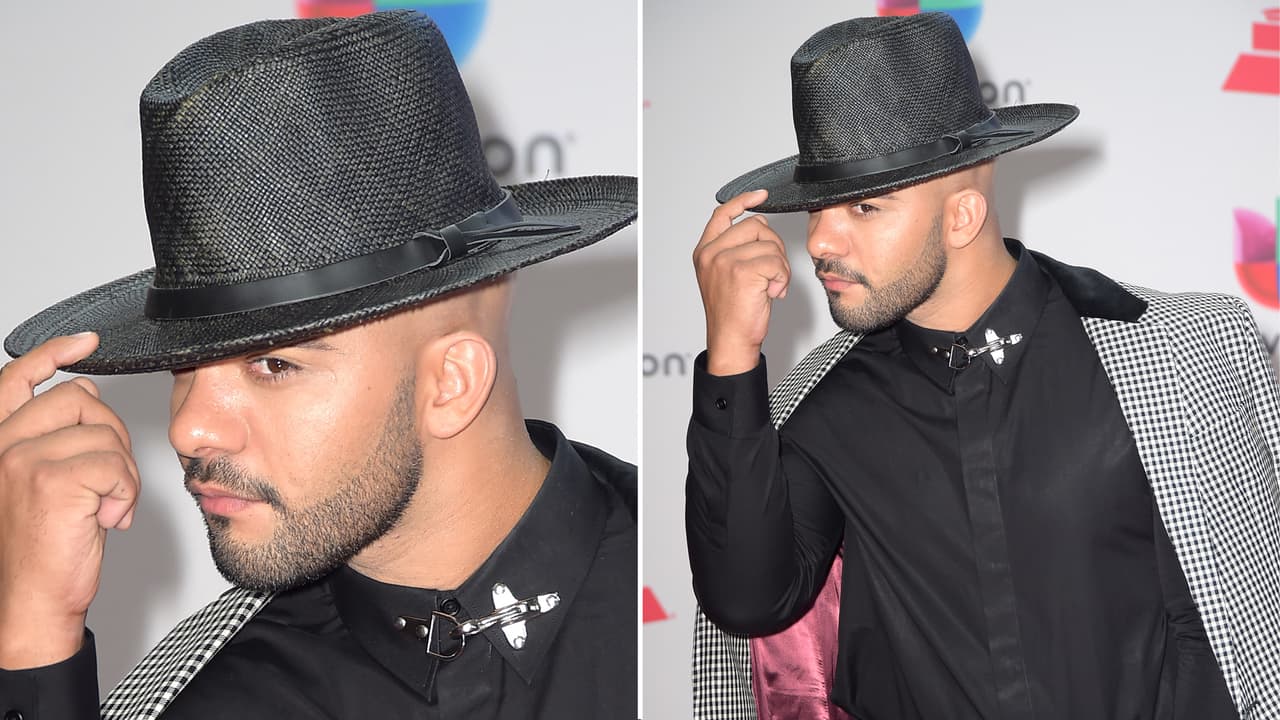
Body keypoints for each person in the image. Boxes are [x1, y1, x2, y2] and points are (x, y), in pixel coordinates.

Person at [0, 10, 637, 720]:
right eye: (186, 364)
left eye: (272, 365)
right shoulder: (199, 696)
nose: (189, 431)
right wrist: (34, 637)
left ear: (452, 383)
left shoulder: (706, 592)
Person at [686, 12, 1280, 720]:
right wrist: (731, 356)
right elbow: (750, 601)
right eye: (816, 208)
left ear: (962, 217)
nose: (819, 240)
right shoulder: (815, 409)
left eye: (864, 207)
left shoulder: (1181, 353)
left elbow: (1234, 633)